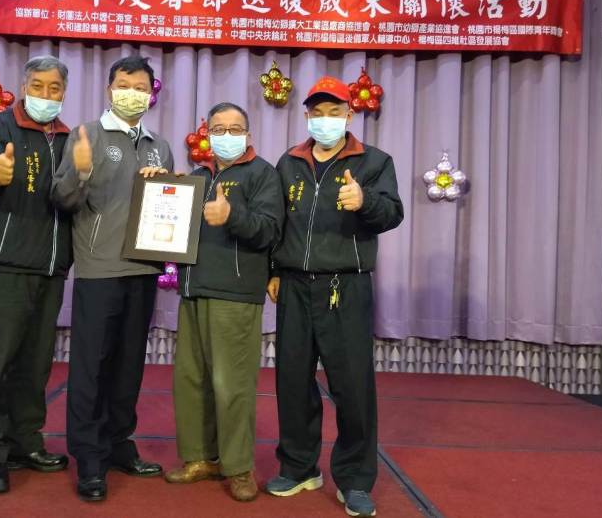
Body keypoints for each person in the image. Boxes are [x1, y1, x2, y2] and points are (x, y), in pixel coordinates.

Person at [265, 76, 403, 517]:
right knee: (292, 380)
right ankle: (299, 466)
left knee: (352, 386)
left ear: (349, 114)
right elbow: (276, 221)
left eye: (334, 112)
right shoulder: (289, 162)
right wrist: (273, 269)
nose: (325, 120)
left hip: (346, 286)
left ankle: (356, 479)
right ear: (307, 115)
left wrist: (365, 201)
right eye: (317, 113)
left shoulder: (374, 162)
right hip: (293, 285)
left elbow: (392, 213)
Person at [51, 55, 174, 502]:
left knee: (128, 366)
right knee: (91, 367)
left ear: (151, 94)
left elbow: (170, 203)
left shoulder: (160, 145)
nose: (132, 94)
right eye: (124, 85)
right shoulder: (87, 134)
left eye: (141, 87)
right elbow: (62, 199)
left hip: (144, 268)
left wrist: (168, 186)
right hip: (99, 268)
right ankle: (89, 458)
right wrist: (81, 170)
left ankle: (120, 443)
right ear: (109, 89)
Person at [0, 55, 74, 494]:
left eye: (54, 88)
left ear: (64, 93)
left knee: (36, 362)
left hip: (51, 266)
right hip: (4, 264)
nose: (46, 95)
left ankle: (26, 441)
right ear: (24, 87)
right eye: (38, 86)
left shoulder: (68, 138)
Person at [164, 103, 284, 502]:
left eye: (235, 129)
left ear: (248, 135)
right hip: (193, 289)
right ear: (207, 134)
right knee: (191, 380)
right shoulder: (198, 177)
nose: (226, 136)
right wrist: (161, 188)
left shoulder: (263, 174)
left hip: (235, 293)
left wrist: (232, 214)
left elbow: (269, 230)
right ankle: (200, 457)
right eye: (218, 129)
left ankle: (238, 466)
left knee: (232, 385)